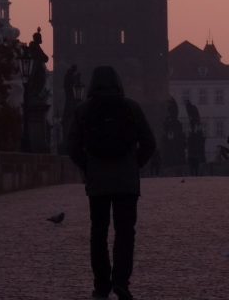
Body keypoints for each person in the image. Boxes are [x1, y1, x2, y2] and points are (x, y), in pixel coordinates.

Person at [68, 66, 156, 300]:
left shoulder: (83, 110)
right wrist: (133, 164)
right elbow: (149, 142)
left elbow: (72, 147)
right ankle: (121, 282)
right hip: (126, 182)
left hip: (98, 181)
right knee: (125, 232)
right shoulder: (131, 107)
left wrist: (88, 166)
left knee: (98, 232)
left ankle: (101, 285)